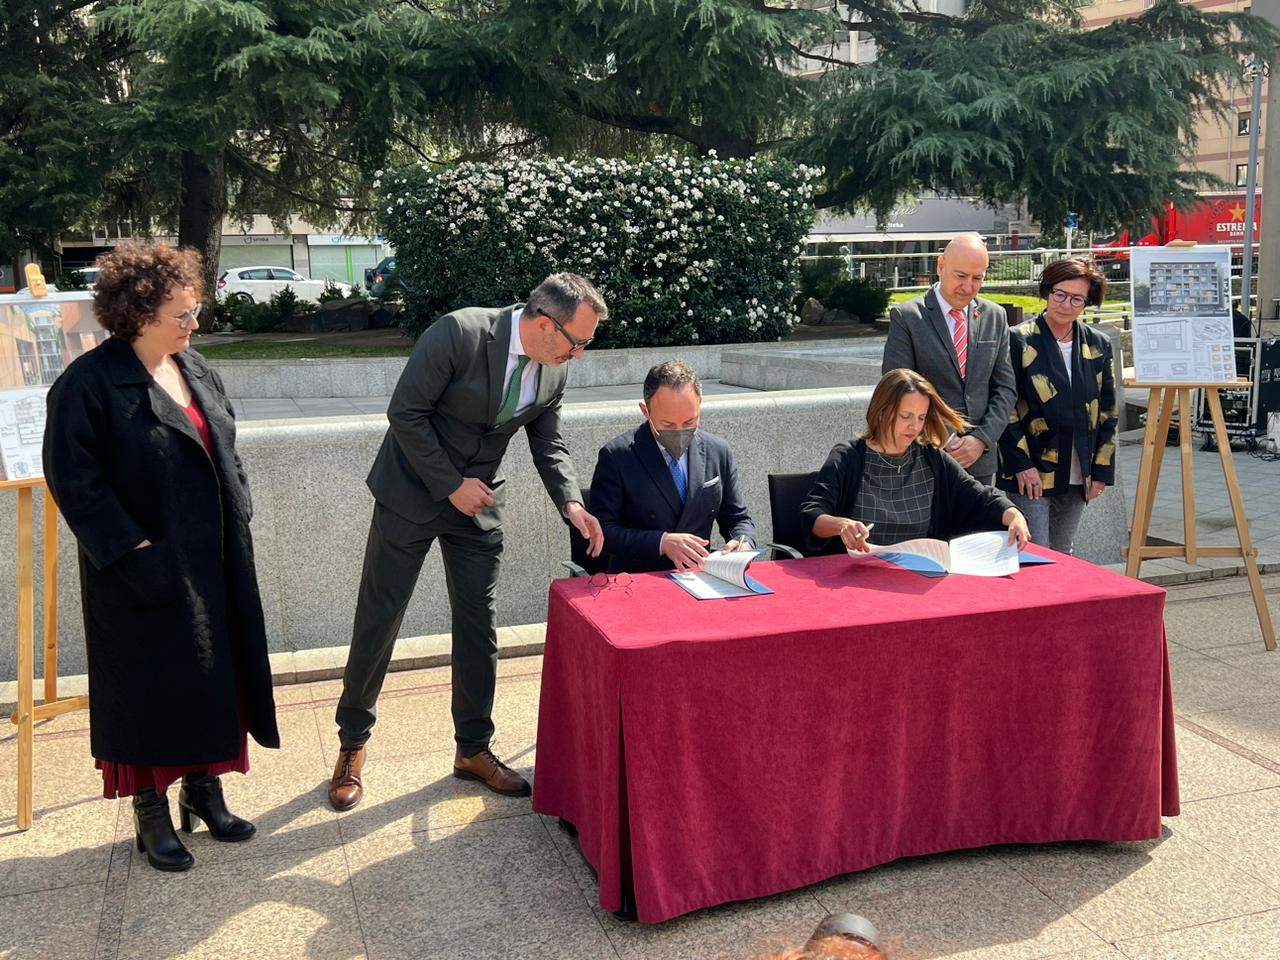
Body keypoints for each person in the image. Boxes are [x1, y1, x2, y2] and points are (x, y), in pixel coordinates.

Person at [43, 241, 279, 872]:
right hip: (141, 570)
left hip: (215, 555)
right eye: (182, 313)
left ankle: (205, 790)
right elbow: (73, 479)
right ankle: (150, 809)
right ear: (140, 311)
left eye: (195, 309)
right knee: (148, 685)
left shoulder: (196, 368)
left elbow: (225, 444)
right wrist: (133, 548)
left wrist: (242, 508)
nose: (194, 324)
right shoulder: (89, 384)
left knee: (212, 675)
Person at [330, 272, 607, 810]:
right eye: (577, 343)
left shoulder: (552, 372)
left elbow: (549, 444)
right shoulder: (458, 333)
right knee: (380, 618)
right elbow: (405, 414)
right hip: (411, 493)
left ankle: (473, 749)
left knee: (479, 624)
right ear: (545, 325)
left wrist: (572, 502)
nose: (578, 356)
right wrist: (449, 484)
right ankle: (351, 744)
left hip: (479, 506)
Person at [801, 368, 1028, 554]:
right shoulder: (848, 457)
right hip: (857, 575)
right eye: (905, 416)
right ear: (881, 412)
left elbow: (980, 496)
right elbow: (812, 515)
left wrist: (1014, 515)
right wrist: (843, 525)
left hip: (920, 574)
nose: (915, 426)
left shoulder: (931, 457)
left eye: (921, 417)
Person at [997, 258, 1118, 555]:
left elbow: (1108, 412)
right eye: (1059, 294)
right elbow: (1005, 406)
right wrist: (1021, 464)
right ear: (1047, 292)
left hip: (1079, 470)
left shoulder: (1098, 344)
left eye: (1077, 298)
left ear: (1087, 303)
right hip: (1032, 470)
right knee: (1034, 551)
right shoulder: (1018, 340)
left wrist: (1101, 471)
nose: (1066, 304)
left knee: (1063, 555)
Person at [589, 360, 755, 573]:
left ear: (700, 404)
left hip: (699, 574)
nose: (679, 432)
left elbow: (737, 518)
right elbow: (603, 530)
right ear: (646, 411)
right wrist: (661, 542)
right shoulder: (617, 455)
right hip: (639, 578)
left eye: (689, 422)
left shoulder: (718, 450)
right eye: (667, 425)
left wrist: (743, 542)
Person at [881, 233, 1017, 483]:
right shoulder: (908, 317)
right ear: (940, 266)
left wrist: (981, 440)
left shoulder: (995, 316)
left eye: (978, 278)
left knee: (978, 524)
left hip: (980, 461)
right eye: (961, 276)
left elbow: (1006, 389)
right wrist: (947, 439)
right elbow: (898, 389)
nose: (968, 287)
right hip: (926, 458)